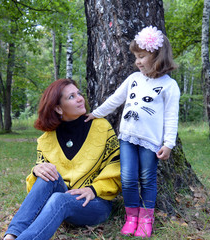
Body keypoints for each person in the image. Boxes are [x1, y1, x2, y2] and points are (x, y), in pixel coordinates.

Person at [85, 26, 180, 238]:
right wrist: (96, 113)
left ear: (157, 55)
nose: (137, 61)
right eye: (136, 57)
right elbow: (115, 99)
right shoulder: (133, 79)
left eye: (142, 56)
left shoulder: (169, 86)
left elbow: (171, 117)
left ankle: (146, 219)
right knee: (127, 178)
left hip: (150, 141)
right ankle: (131, 217)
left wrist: (169, 144)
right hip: (127, 137)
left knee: (147, 179)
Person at [3, 79, 121, 240]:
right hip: (63, 199)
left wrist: (93, 189)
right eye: (71, 97)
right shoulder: (46, 140)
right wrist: (36, 171)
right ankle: (10, 236)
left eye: (79, 94)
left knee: (60, 199)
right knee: (48, 177)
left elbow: (116, 168)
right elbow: (38, 192)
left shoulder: (101, 127)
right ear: (58, 108)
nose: (80, 98)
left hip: (96, 204)